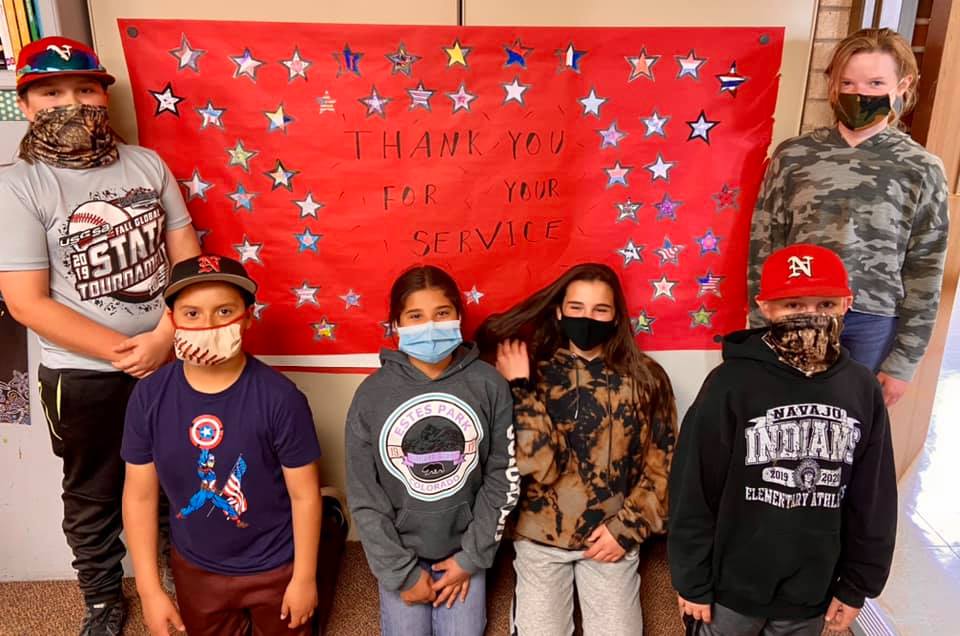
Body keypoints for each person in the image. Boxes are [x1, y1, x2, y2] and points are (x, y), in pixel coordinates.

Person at [0, 36, 200, 635]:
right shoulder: (19, 186)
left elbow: (188, 259)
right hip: (82, 375)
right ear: (28, 104)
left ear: (104, 95)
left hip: (171, 356)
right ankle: (103, 597)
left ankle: (177, 576)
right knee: (93, 492)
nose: (72, 100)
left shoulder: (146, 165)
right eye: (53, 91)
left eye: (85, 88)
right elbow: (26, 302)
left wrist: (166, 336)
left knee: (180, 474)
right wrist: (124, 352)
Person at [671, 244, 896, 635]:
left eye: (825, 304)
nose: (810, 316)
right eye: (792, 306)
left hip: (811, 589)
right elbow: (693, 487)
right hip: (731, 588)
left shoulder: (861, 388)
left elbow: (873, 497)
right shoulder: (729, 384)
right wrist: (691, 578)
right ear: (766, 308)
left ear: (847, 303)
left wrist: (859, 584)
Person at [121, 254, 323, 636]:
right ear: (172, 319)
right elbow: (140, 497)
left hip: (276, 564)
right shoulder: (149, 397)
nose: (208, 325)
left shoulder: (281, 398)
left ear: (248, 316)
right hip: (198, 568)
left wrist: (304, 578)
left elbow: (304, 495)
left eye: (224, 310)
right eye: (192, 313)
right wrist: (149, 591)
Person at [748, 27, 950, 408]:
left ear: (902, 84)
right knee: (782, 422)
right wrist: (759, 325)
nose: (860, 94)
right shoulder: (794, 157)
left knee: (851, 431)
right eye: (848, 82)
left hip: (871, 323)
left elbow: (926, 267)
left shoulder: (921, 168)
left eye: (875, 82)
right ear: (832, 84)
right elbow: (765, 242)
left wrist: (904, 361)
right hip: (795, 312)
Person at [482, 263, 677, 636]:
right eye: (577, 308)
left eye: (600, 310)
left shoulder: (647, 377)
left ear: (616, 316)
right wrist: (521, 389)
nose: (588, 318)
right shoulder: (531, 372)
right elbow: (539, 465)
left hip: (611, 539)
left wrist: (627, 528)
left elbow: (664, 464)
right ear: (559, 311)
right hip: (540, 540)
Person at [346, 265, 518, 636]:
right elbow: (364, 495)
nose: (430, 325)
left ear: (458, 316)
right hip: (399, 552)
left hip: (463, 550)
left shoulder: (489, 385)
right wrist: (400, 573)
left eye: (441, 314)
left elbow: (502, 477)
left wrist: (471, 557)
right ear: (396, 324)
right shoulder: (371, 395)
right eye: (415, 316)